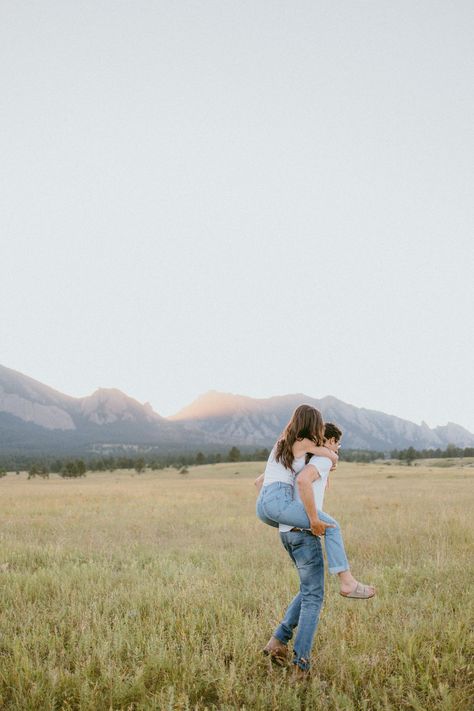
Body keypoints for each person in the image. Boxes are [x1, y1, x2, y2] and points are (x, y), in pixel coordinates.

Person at [256, 408, 375, 598]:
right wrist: (333, 458)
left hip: (263, 505)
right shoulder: (304, 442)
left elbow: (258, 482)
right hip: (277, 502)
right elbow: (329, 456)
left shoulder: (284, 443)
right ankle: (347, 582)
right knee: (332, 527)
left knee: (309, 588)